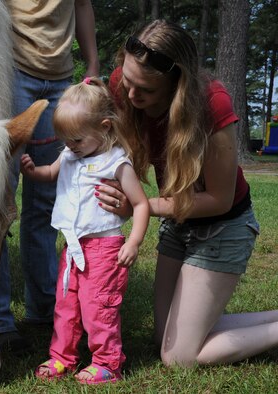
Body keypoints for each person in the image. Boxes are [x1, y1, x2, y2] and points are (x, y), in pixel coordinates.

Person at [99, 19, 278, 367]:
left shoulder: (212, 104)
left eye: (145, 91)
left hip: (222, 228)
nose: (131, 96)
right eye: (127, 81)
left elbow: (219, 199)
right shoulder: (123, 85)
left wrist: (141, 206)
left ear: (176, 85)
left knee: (178, 356)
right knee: (164, 334)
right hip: (178, 223)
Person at [25, 77, 150, 384]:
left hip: (105, 249)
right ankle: (62, 357)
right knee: (65, 305)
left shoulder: (116, 163)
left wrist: (133, 241)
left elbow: (142, 204)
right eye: (65, 140)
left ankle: (107, 362)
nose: (70, 146)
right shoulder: (70, 154)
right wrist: (32, 171)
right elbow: (51, 173)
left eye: (77, 140)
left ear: (105, 126)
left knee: (98, 307)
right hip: (72, 246)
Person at [0, 0, 100, 355]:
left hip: (60, 81)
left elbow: (81, 5)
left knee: (46, 205)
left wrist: (93, 64)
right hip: (11, 73)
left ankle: (42, 309)